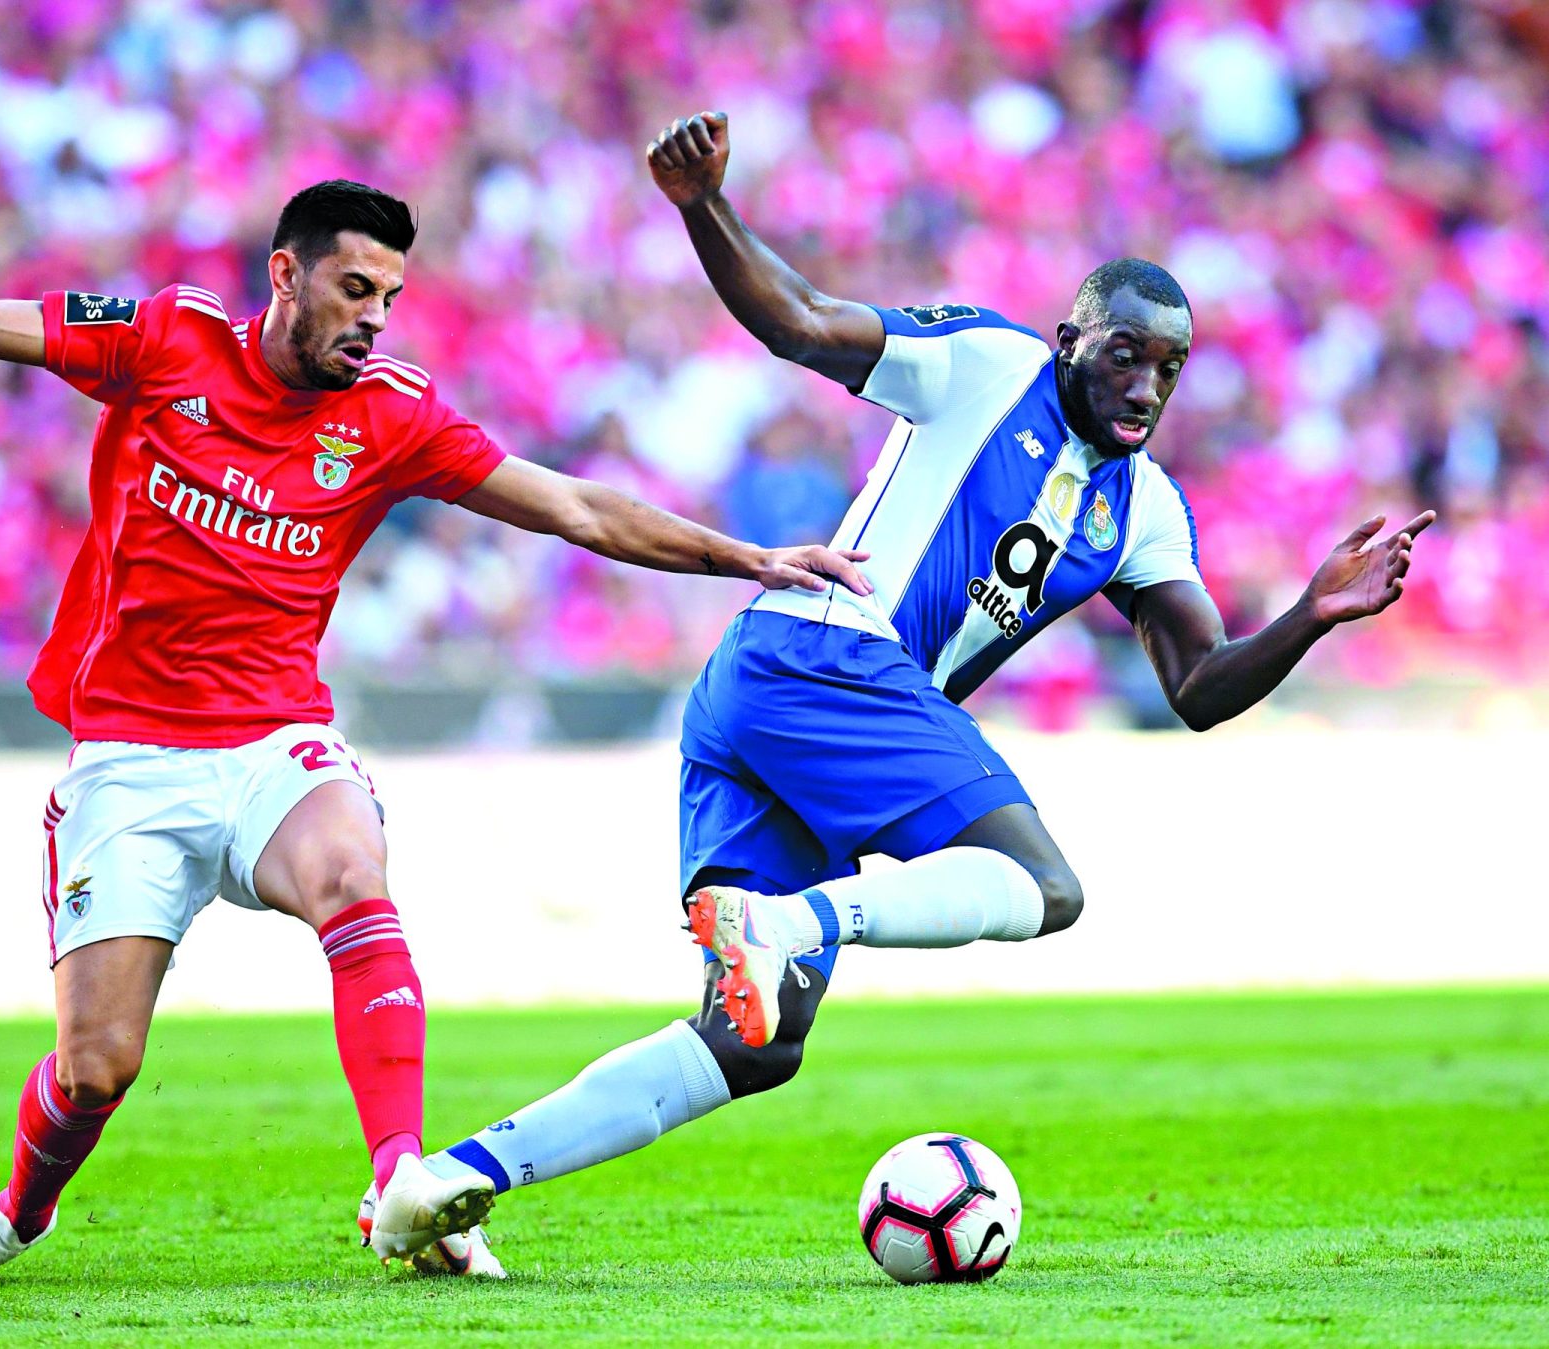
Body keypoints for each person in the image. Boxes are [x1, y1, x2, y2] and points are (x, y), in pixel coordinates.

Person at [0, 178, 869, 1282]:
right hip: (131, 758)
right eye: (357, 289)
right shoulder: (163, 341)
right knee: (98, 1066)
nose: (376, 320)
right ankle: (15, 1214)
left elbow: (566, 503)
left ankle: (405, 1180)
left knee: (353, 869)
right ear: (286, 275)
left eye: (393, 298)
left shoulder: (393, 416)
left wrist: (748, 556)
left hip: (273, 740)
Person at [411, 112, 1436, 1258]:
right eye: (1123, 356)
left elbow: (1195, 684)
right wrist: (703, 204)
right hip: (825, 653)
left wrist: (1307, 613)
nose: (1145, 387)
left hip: (781, 701)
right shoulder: (986, 364)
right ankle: (789, 917)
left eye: (1168, 368)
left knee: (753, 1045)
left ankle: (448, 1181)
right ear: (1068, 341)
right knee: (1042, 885)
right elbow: (799, 323)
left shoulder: (1145, 507)